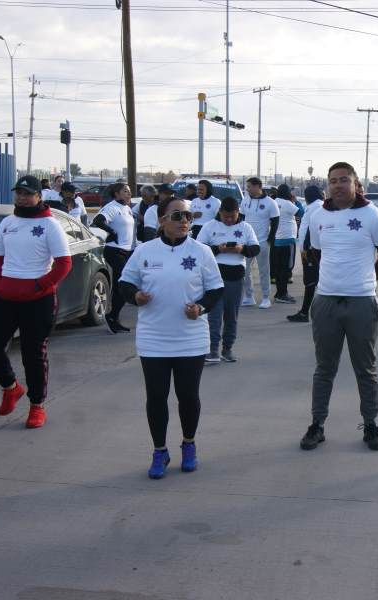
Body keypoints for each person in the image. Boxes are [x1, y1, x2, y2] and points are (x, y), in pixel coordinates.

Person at [118, 195, 224, 479]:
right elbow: (125, 283)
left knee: (188, 396)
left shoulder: (202, 252)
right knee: (156, 396)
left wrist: (200, 307)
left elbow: (216, 290)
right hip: (154, 337)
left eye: (189, 216)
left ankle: (189, 444)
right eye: (178, 216)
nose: (185, 221)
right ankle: (160, 451)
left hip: (190, 338)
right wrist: (136, 296)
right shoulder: (144, 251)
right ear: (162, 220)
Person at [300, 162, 378, 452]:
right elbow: (316, 251)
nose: (338, 185)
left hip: (361, 302)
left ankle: (370, 424)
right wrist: (331, 280)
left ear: (355, 183)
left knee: (365, 368)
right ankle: (317, 424)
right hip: (326, 301)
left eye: (343, 180)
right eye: (333, 181)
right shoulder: (318, 215)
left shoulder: (371, 214)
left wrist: (367, 279)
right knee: (324, 368)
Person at [0, 175, 72, 429]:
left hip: (37, 299)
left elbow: (64, 264)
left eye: (27, 193)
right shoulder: (8, 222)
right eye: (19, 193)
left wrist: (39, 285)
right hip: (5, 296)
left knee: (32, 354)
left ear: (38, 196)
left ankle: (36, 405)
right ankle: (10, 387)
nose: (22, 197)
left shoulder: (50, 225)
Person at [197, 196, 260, 363]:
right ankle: (212, 350)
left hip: (235, 277)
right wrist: (218, 249)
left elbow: (255, 249)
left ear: (238, 212)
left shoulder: (246, 227)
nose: (229, 220)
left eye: (233, 216)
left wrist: (241, 249)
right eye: (226, 216)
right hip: (214, 277)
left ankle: (228, 348)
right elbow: (199, 250)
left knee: (232, 315)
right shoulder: (209, 226)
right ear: (220, 213)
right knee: (214, 315)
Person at [91, 182, 135, 333]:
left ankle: (114, 317)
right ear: (116, 194)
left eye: (129, 191)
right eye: (125, 191)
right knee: (124, 284)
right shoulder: (112, 207)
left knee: (120, 286)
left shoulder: (127, 208)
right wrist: (112, 232)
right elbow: (97, 221)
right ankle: (111, 315)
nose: (128, 193)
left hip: (126, 251)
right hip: (114, 251)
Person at [288, 185, 325, 322]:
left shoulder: (313, 208)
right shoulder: (321, 205)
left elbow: (306, 229)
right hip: (319, 249)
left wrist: (303, 249)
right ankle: (306, 312)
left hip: (311, 250)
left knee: (310, 282)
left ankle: (305, 313)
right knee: (318, 282)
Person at [240, 177, 280, 309]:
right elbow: (241, 219)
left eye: (250, 186)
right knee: (244, 270)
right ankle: (249, 296)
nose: (247, 189)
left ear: (258, 186)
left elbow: (275, 222)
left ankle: (265, 298)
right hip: (246, 242)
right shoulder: (246, 200)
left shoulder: (270, 203)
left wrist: (270, 239)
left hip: (262, 242)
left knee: (264, 271)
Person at [272, 183, 303, 304]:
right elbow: (301, 212)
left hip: (277, 239)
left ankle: (279, 293)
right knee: (286, 268)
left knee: (279, 268)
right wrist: (296, 201)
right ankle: (282, 294)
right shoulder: (288, 204)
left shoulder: (274, 201)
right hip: (288, 239)